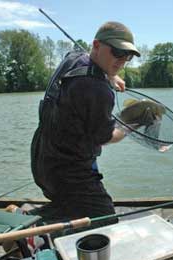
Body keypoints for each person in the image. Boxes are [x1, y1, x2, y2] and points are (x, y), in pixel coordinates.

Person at [30, 21, 140, 229]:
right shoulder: (97, 89)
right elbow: (106, 137)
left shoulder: (72, 58)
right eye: (117, 53)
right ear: (96, 45)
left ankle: (30, 217)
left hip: (41, 158)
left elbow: (86, 65)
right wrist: (130, 125)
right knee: (104, 219)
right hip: (69, 171)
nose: (122, 61)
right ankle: (25, 224)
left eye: (128, 56)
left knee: (73, 205)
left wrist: (111, 73)